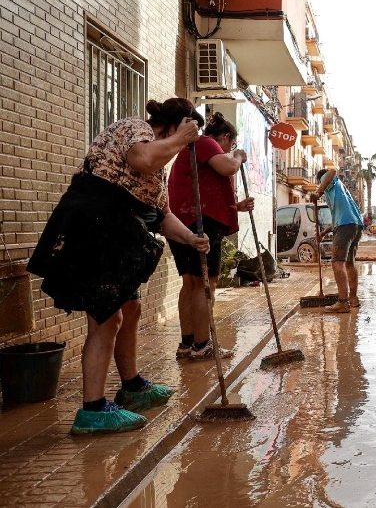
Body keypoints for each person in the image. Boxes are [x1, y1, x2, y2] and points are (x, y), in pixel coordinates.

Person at [28, 99, 211, 434]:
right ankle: (93, 410)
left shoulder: (159, 165)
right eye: (181, 134)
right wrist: (181, 139)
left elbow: (163, 215)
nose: (178, 146)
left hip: (117, 234)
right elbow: (142, 157)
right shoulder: (135, 129)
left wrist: (191, 238)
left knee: (131, 306)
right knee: (107, 317)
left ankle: (132, 387)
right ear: (171, 125)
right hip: (92, 225)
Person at [167, 112, 254, 361]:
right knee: (206, 284)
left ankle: (188, 344)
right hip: (200, 225)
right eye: (231, 145)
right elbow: (228, 167)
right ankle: (202, 345)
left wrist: (235, 206)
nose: (229, 150)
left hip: (182, 223)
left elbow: (203, 193)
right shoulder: (206, 143)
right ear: (225, 138)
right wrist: (237, 156)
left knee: (191, 283)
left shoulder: (192, 149)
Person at [310, 168, 364, 313]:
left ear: (321, 180)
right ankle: (353, 298)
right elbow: (337, 219)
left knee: (337, 263)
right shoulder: (339, 191)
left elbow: (333, 170)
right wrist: (323, 233)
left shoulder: (331, 181)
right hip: (355, 225)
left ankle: (343, 302)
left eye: (319, 183)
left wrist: (318, 192)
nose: (320, 186)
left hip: (346, 225)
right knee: (349, 263)